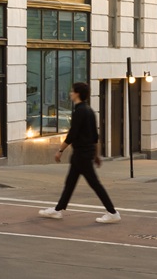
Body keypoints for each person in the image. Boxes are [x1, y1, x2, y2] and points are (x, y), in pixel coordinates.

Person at [40, 81, 119, 224]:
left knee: (95, 184)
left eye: (72, 91)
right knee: (70, 183)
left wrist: (60, 150)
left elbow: (72, 134)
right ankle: (58, 210)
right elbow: (95, 136)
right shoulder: (89, 111)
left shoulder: (80, 112)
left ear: (77, 94)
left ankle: (112, 212)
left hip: (82, 154)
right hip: (83, 154)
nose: (70, 93)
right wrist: (96, 155)